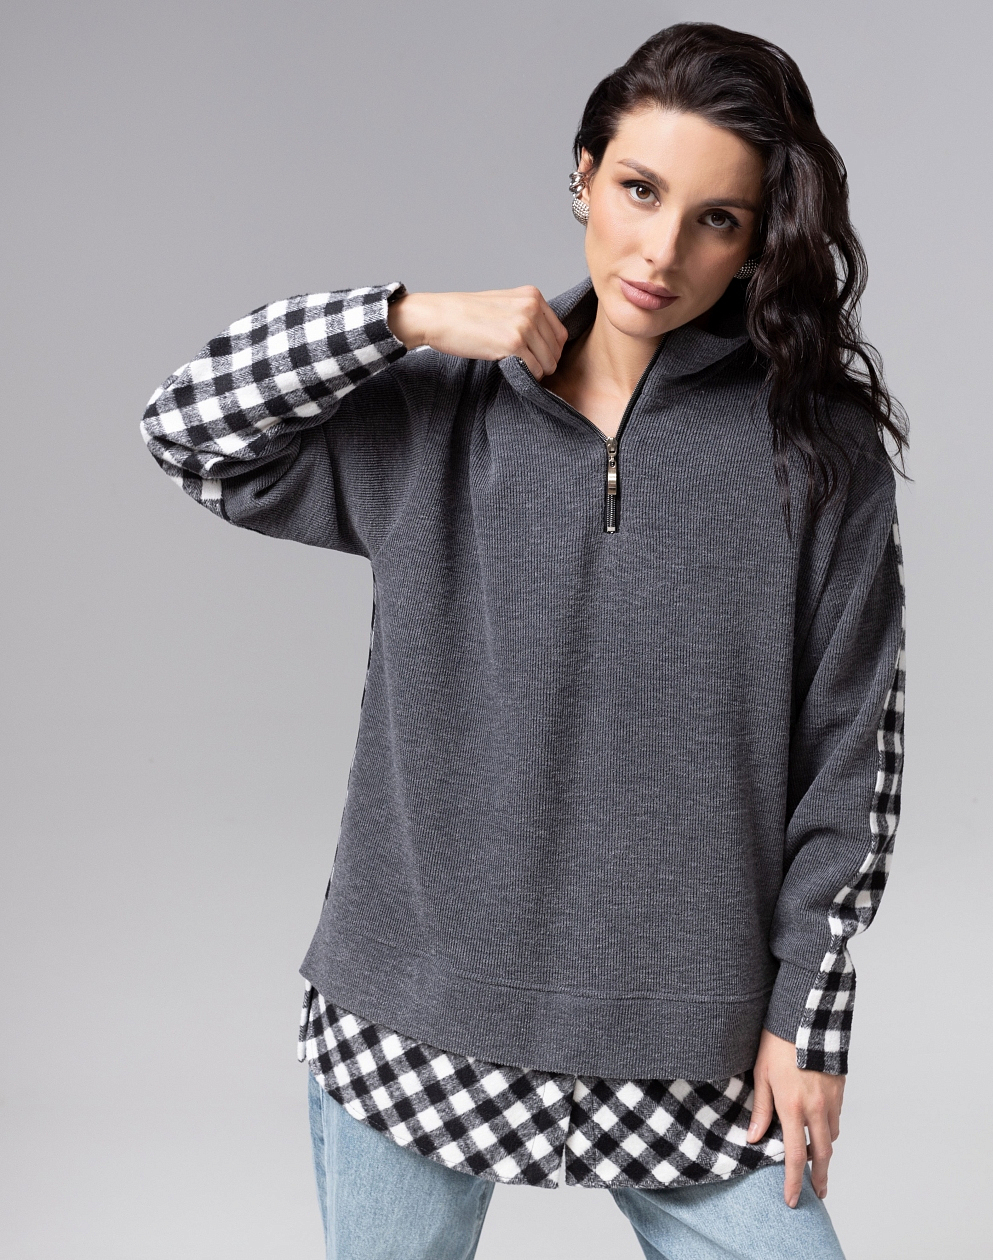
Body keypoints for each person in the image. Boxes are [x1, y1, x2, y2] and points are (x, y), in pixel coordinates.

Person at [138, 21, 907, 1260]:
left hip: (691, 1037)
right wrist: (401, 318)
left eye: (716, 218)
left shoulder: (815, 454)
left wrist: (807, 1018)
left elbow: (852, 754)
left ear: (758, 238)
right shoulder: (440, 414)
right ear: (583, 177)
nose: (662, 251)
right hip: (416, 1018)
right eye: (639, 190)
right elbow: (188, 427)